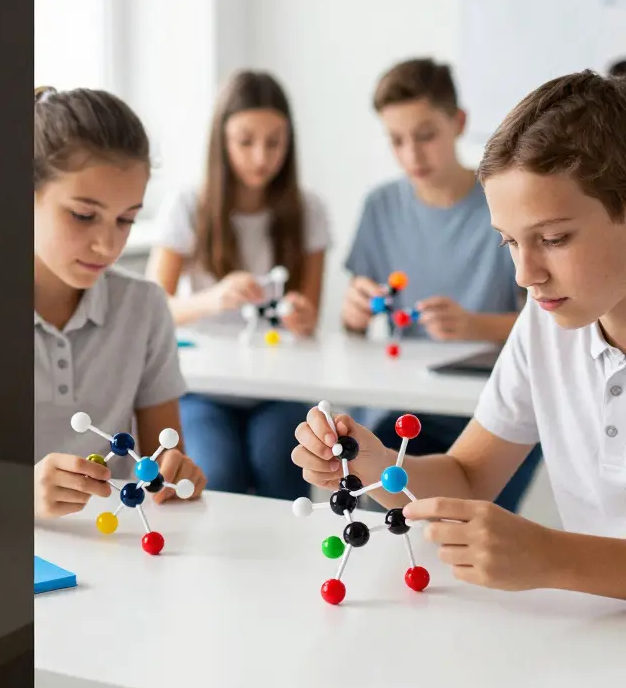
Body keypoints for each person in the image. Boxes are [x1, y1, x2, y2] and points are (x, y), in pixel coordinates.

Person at [292, 69, 626, 600]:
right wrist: (373, 460)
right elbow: (469, 478)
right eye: (509, 242)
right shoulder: (544, 325)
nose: (525, 275)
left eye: (554, 238)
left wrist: (552, 557)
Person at [342, 57, 541, 513]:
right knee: (376, 500)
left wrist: (475, 325)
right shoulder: (380, 207)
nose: (412, 155)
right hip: (405, 405)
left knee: (465, 523)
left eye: (426, 135)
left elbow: (549, 326)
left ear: (459, 122)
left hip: (490, 406)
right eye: (397, 140)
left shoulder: (502, 203)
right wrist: (353, 314)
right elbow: (353, 329)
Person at [145, 70, 329, 501]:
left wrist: (301, 316)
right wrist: (214, 298)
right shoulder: (188, 206)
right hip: (203, 388)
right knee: (219, 472)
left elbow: (309, 319)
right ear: (221, 141)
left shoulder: (308, 210)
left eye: (274, 142)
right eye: (245, 141)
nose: (261, 157)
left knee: (279, 467)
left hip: (280, 388)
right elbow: (152, 309)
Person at [32, 85, 207, 519]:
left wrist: (176, 475)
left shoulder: (144, 307)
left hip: (116, 541)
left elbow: (163, 460)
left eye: (126, 219)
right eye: (83, 215)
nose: (108, 245)